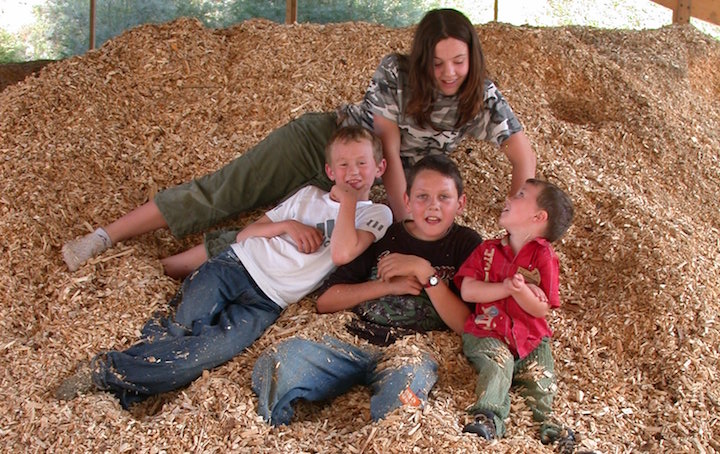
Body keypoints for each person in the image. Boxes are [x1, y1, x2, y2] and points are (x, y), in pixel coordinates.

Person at [62, 8, 535, 277]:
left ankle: (163, 271)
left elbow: (522, 153)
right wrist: (401, 214)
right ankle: (105, 236)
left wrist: (515, 216)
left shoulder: (482, 95)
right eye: (437, 63)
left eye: (459, 61)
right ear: (421, 59)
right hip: (330, 144)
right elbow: (386, 149)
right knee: (228, 191)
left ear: (471, 57)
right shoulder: (397, 72)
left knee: (301, 237)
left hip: (368, 181)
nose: (449, 73)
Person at [54, 126, 392, 408]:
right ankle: (132, 384)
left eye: (362, 163)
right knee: (179, 329)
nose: (353, 172)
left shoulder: (376, 214)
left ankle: (107, 372)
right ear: (330, 171)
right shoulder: (307, 195)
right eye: (343, 164)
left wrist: (348, 200)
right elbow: (248, 233)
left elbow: (344, 252)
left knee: (204, 355)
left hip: (267, 302)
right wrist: (287, 225)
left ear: (380, 168)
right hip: (233, 266)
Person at [251, 155, 482, 425]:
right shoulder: (388, 235)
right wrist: (385, 286)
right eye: (422, 197)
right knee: (280, 362)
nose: (433, 206)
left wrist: (425, 272)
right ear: (406, 201)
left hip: (411, 350)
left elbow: (466, 324)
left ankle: (383, 440)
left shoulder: (467, 243)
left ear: (461, 203)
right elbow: (326, 301)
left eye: (444, 197)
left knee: (407, 398)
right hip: (351, 338)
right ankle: (267, 432)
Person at [453, 179, 575, 451]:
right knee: (498, 364)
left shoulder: (545, 257)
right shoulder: (487, 250)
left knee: (540, 379)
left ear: (538, 217)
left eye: (521, 195)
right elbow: (469, 291)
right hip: (487, 331)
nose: (510, 197)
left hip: (531, 338)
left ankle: (547, 426)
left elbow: (543, 308)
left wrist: (521, 293)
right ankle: (488, 416)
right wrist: (506, 288)